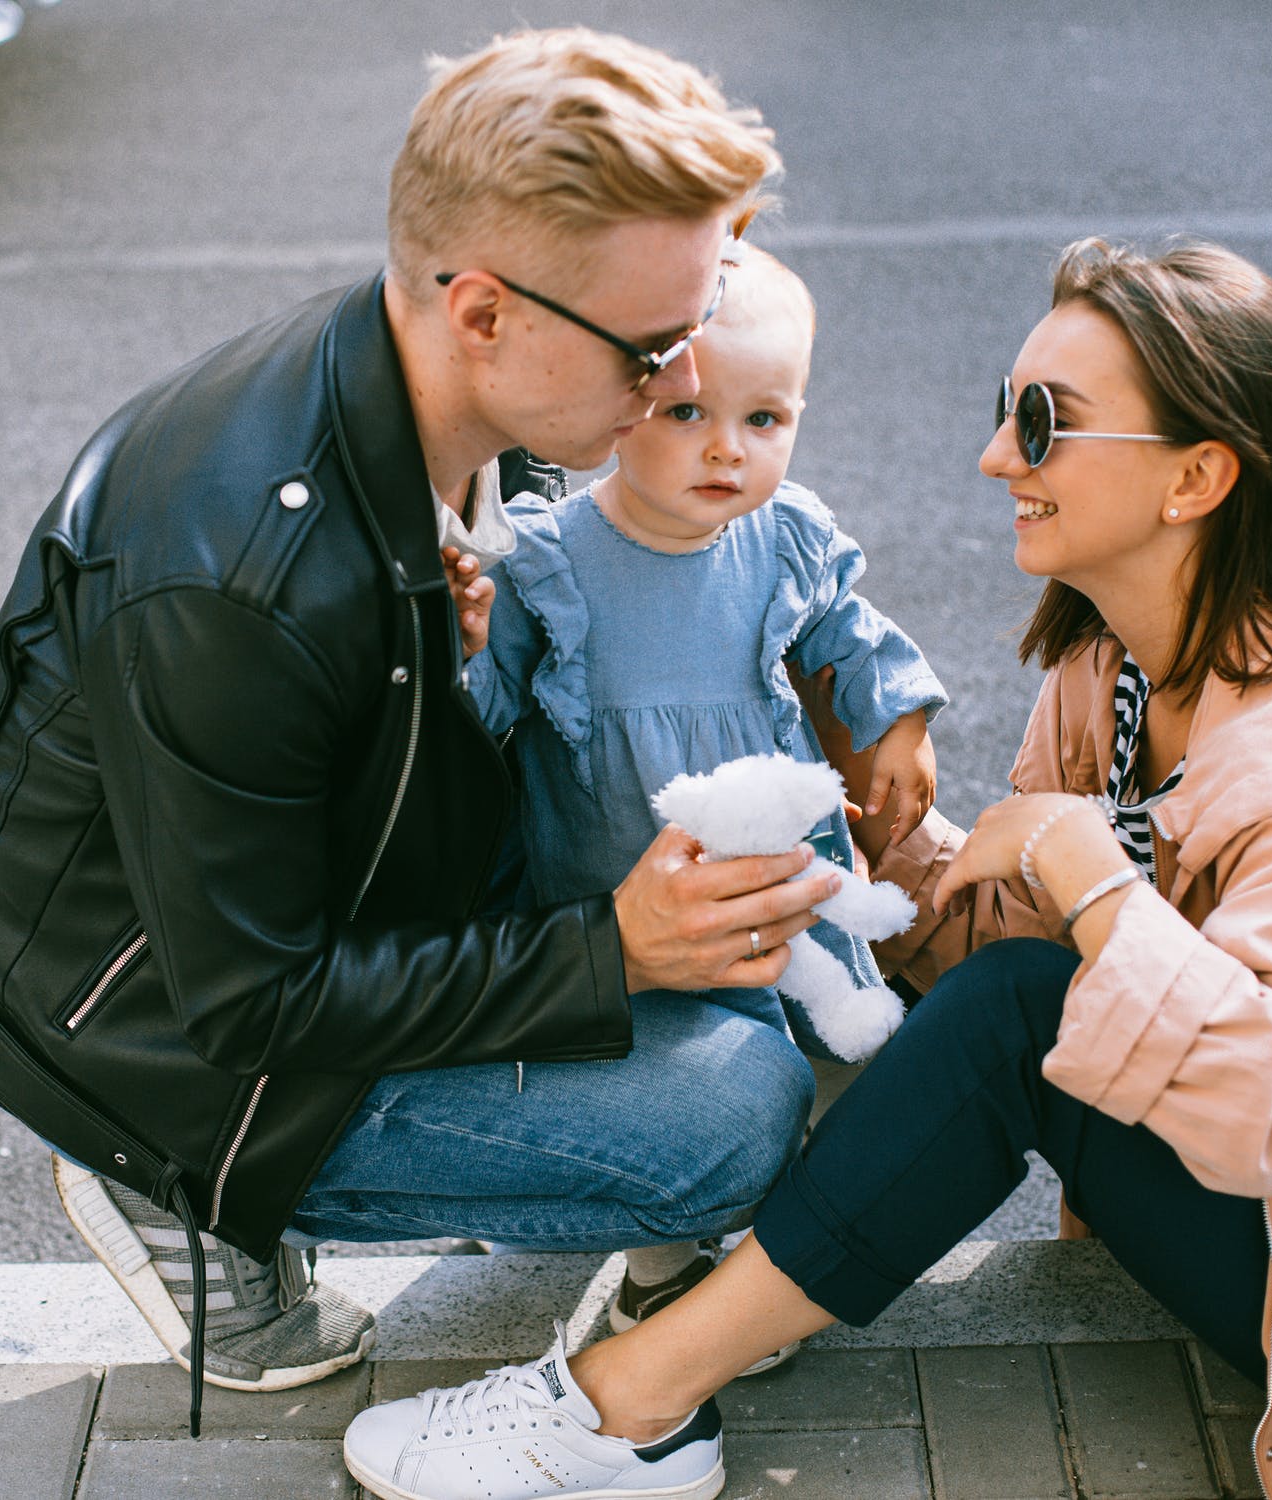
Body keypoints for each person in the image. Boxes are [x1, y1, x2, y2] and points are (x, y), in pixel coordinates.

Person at [342, 237, 1272, 1500]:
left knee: (1008, 1022)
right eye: (1006, 412)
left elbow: (1271, 1104)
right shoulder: (1113, 673)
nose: (998, 457)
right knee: (997, 1003)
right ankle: (666, 1354)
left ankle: (629, 1405)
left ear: (1197, 476)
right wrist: (858, 860)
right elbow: (1029, 949)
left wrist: (1079, 864)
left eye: (1045, 423)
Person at [0, 27, 848, 1436]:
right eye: (653, 348)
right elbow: (248, 1006)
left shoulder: (458, 394)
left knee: (761, 961)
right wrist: (611, 952)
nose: (679, 386)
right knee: (729, 1110)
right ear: (481, 311)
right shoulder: (238, 582)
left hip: (335, 899)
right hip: (155, 1038)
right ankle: (158, 1182)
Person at [452, 241, 946, 1348]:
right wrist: (465, 638)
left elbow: (850, 636)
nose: (727, 449)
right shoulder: (553, 563)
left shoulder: (782, 537)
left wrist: (898, 719)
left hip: (777, 859)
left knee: (820, 1041)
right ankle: (662, 1272)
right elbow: (480, 710)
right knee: (659, 1058)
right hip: (619, 882)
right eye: (685, 414)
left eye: (765, 419)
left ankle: (790, 1249)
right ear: (618, 405)